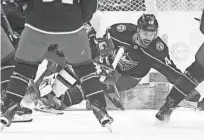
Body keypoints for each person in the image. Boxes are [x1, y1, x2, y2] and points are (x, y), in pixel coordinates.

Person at [0, 0, 112, 130]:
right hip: (71, 28)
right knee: (85, 69)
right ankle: (100, 110)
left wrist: (26, 2)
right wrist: (78, 19)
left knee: (23, 69)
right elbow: (92, 3)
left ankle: (9, 109)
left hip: (37, 24)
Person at [36, 14, 185, 112]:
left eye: (152, 34)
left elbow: (172, 72)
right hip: (110, 65)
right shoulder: (120, 31)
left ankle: (61, 101)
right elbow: (97, 42)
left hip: (129, 78)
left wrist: (189, 88)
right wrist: (101, 59)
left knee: (95, 83)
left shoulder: (157, 50)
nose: (148, 37)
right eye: (145, 33)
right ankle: (49, 95)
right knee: (81, 65)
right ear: (138, 30)